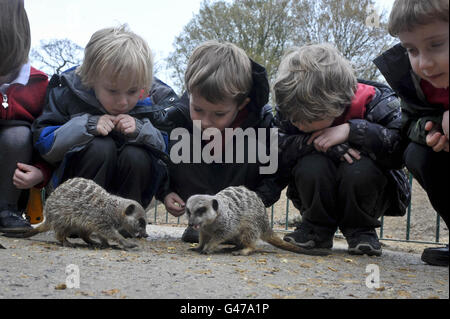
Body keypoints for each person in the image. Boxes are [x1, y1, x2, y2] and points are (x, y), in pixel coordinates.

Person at [273, 43, 411, 256]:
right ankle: (315, 230)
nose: (298, 124)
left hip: (369, 187)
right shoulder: (293, 104)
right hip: (315, 186)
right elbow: (277, 147)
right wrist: (314, 144)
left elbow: (400, 150)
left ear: (336, 106)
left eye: (309, 120)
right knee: (312, 165)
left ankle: (361, 231)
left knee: (359, 168)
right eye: (293, 117)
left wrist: (353, 131)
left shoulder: (376, 102)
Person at [155, 40, 281, 243]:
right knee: (181, 141)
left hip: (239, 210)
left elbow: (274, 174)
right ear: (190, 95)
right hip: (198, 198)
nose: (205, 122)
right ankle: (201, 225)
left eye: (219, 114)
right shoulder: (177, 118)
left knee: (252, 146)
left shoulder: (262, 122)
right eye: (197, 109)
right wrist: (165, 191)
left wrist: (255, 205)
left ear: (242, 104)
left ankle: (231, 226)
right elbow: (159, 158)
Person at [32, 25, 168, 210]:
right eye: (112, 91)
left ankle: (128, 221)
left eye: (132, 91)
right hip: (75, 191)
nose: (123, 102)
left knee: (136, 155)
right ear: (91, 79)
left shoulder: (153, 102)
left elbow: (168, 147)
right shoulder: (67, 91)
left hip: (128, 194)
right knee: (100, 147)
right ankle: (79, 217)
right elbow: (44, 145)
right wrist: (86, 126)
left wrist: (141, 130)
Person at [374, 0, 449, 266]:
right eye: (411, 50)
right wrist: (435, 128)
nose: (424, 63)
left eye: (436, 44)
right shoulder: (415, 82)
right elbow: (408, 122)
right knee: (417, 154)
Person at [0, 0, 50, 233]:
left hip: (11, 180)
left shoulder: (39, 85)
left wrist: (41, 172)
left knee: (19, 134)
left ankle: (6, 209)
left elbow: (48, 138)